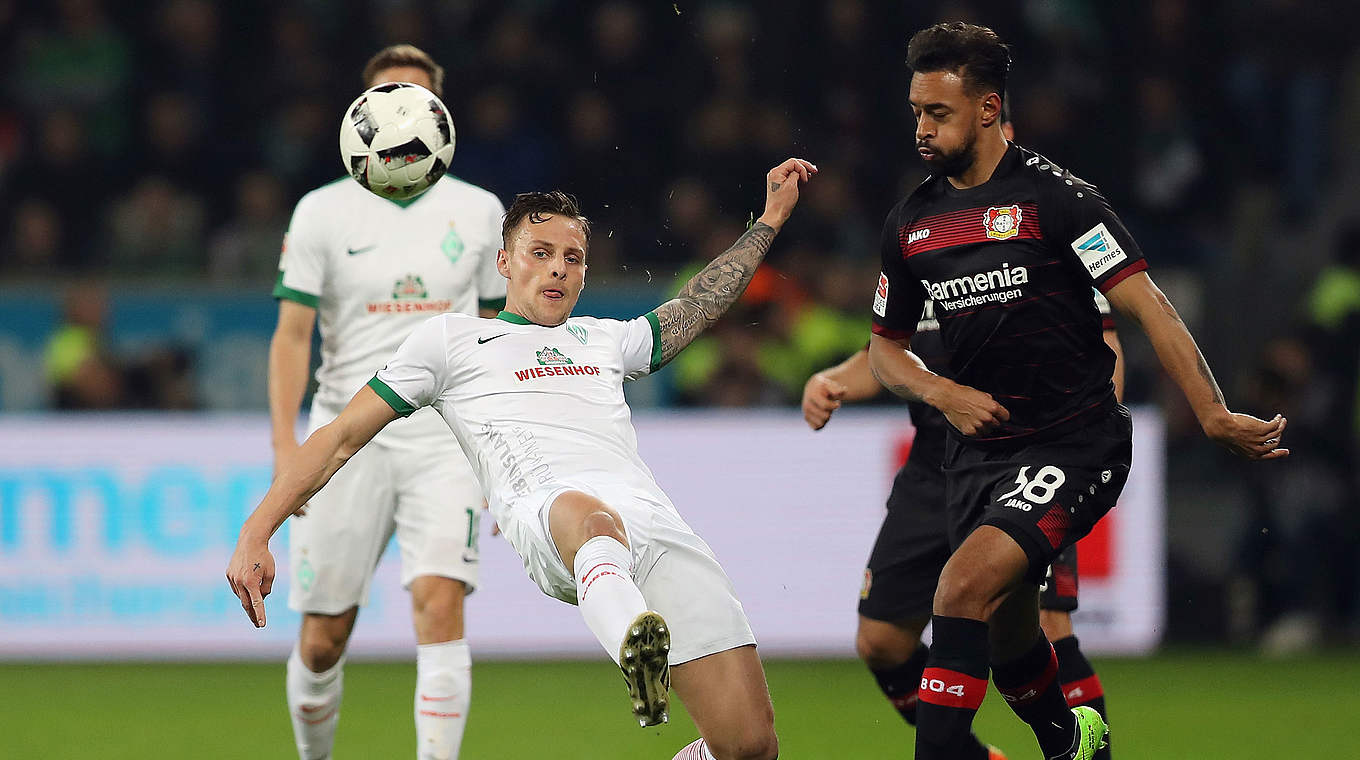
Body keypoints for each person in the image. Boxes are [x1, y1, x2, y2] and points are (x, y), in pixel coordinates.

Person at [230, 157, 818, 760]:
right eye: (540, 252)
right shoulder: (450, 342)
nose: (558, 268)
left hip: (654, 526)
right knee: (589, 517)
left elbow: (700, 303)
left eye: (573, 257)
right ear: (504, 262)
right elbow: (338, 438)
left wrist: (770, 219)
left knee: (749, 746)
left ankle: (647, 654)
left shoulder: (606, 339)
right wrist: (258, 529)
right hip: (552, 515)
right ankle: (633, 650)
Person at [866, 23, 1287, 760]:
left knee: (960, 589)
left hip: (1074, 441)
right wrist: (945, 394)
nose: (922, 129)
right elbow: (885, 351)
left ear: (989, 109)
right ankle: (1070, 739)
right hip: (977, 454)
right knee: (1009, 635)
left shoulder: (1059, 201)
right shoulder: (912, 225)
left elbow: (1148, 304)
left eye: (939, 113)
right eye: (916, 112)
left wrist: (1213, 413)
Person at [803, 105, 1123, 760]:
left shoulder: (1048, 231)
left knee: (1045, 626)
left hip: (1030, 452)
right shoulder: (922, 249)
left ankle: (1088, 750)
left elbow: (1109, 348)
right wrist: (831, 378)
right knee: (883, 644)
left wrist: (1083, 433)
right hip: (934, 465)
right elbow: (891, 351)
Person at [268, 44, 507, 760]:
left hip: (443, 438)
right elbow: (291, 336)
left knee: (440, 606)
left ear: (439, 115)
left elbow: (496, 339)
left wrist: (500, 455)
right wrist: (288, 453)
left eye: (416, 99)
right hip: (344, 437)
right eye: (386, 100)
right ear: (359, 116)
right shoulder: (320, 214)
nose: (400, 112)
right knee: (322, 639)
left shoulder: (480, 210)